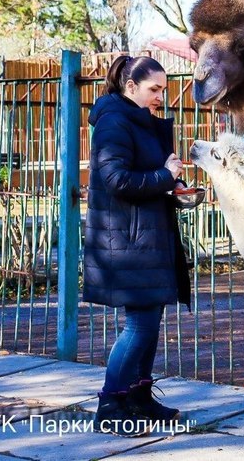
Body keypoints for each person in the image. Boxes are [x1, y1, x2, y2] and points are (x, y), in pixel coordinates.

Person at [83, 55, 191, 437]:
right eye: (154, 89)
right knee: (140, 326)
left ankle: (138, 398)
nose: (161, 96)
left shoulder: (138, 120)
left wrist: (173, 188)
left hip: (146, 236)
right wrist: (165, 175)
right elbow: (116, 180)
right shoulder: (114, 121)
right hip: (125, 241)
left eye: (163, 88)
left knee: (150, 323)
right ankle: (110, 404)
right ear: (131, 87)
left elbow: (143, 178)